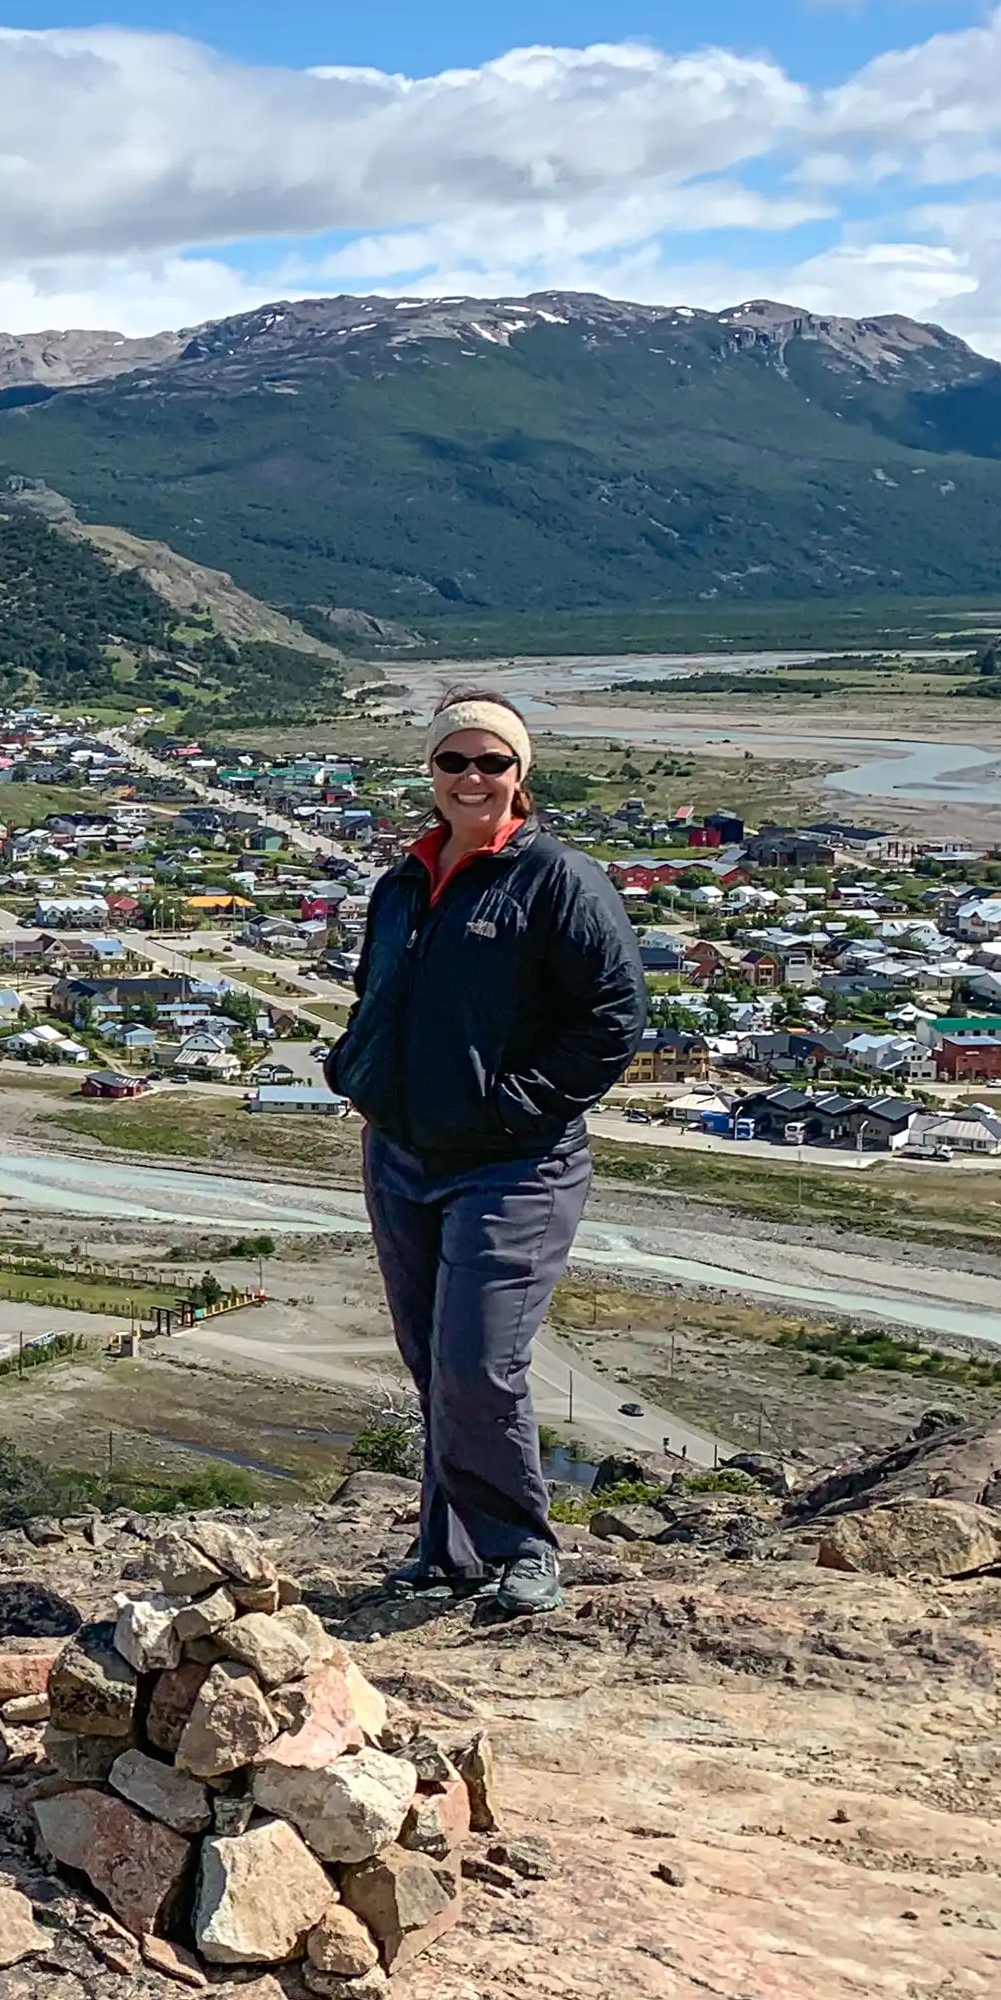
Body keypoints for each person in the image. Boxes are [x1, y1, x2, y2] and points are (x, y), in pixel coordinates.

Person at [324, 691, 644, 1617]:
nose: (472, 778)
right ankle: (452, 1548)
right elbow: (378, 995)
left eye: (491, 763)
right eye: (453, 762)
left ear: (521, 774)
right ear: (430, 774)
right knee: (433, 1360)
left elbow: (613, 1020)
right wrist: (360, 1072)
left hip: (516, 1163)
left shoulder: (558, 882)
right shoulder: (402, 883)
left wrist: (517, 1109)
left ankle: (521, 1551)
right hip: (402, 1151)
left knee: (480, 1361)